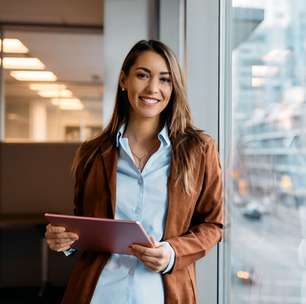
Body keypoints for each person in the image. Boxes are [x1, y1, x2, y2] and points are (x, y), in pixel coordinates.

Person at [45, 39, 224, 304]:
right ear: (123, 80)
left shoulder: (199, 150)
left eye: (165, 80)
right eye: (142, 75)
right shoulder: (93, 154)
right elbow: (85, 222)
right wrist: (66, 240)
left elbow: (213, 224)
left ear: (173, 88)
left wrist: (173, 252)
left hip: (163, 294)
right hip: (98, 294)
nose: (153, 88)